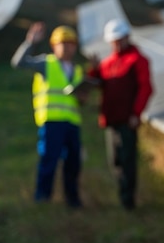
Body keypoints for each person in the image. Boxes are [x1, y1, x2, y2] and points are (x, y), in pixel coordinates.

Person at [11, 22, 85, 208]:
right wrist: (30, 42)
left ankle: (72, 200)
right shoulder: (46, 63)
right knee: (49, 160)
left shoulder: (77, 70)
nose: (67, 47)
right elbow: (18, 63)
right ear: (54, 45)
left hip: (72, 123)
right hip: (52, 122)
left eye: (71, 43)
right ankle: (42, 199)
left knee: (73, 163)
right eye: (63, 43)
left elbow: (79, 99)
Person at [88, 17, 153, 210]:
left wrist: (136, 113)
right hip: (111, 119)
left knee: (127, 160)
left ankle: (128, 201)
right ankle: (122, 195)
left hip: (127, 121)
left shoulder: (138, 60)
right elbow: (97, 83)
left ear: (127, 37)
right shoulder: (107, 64)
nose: (117, 43)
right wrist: (93, 70)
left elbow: (146, 88)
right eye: (113, 40)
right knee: (115, 160)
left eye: (120, 39)